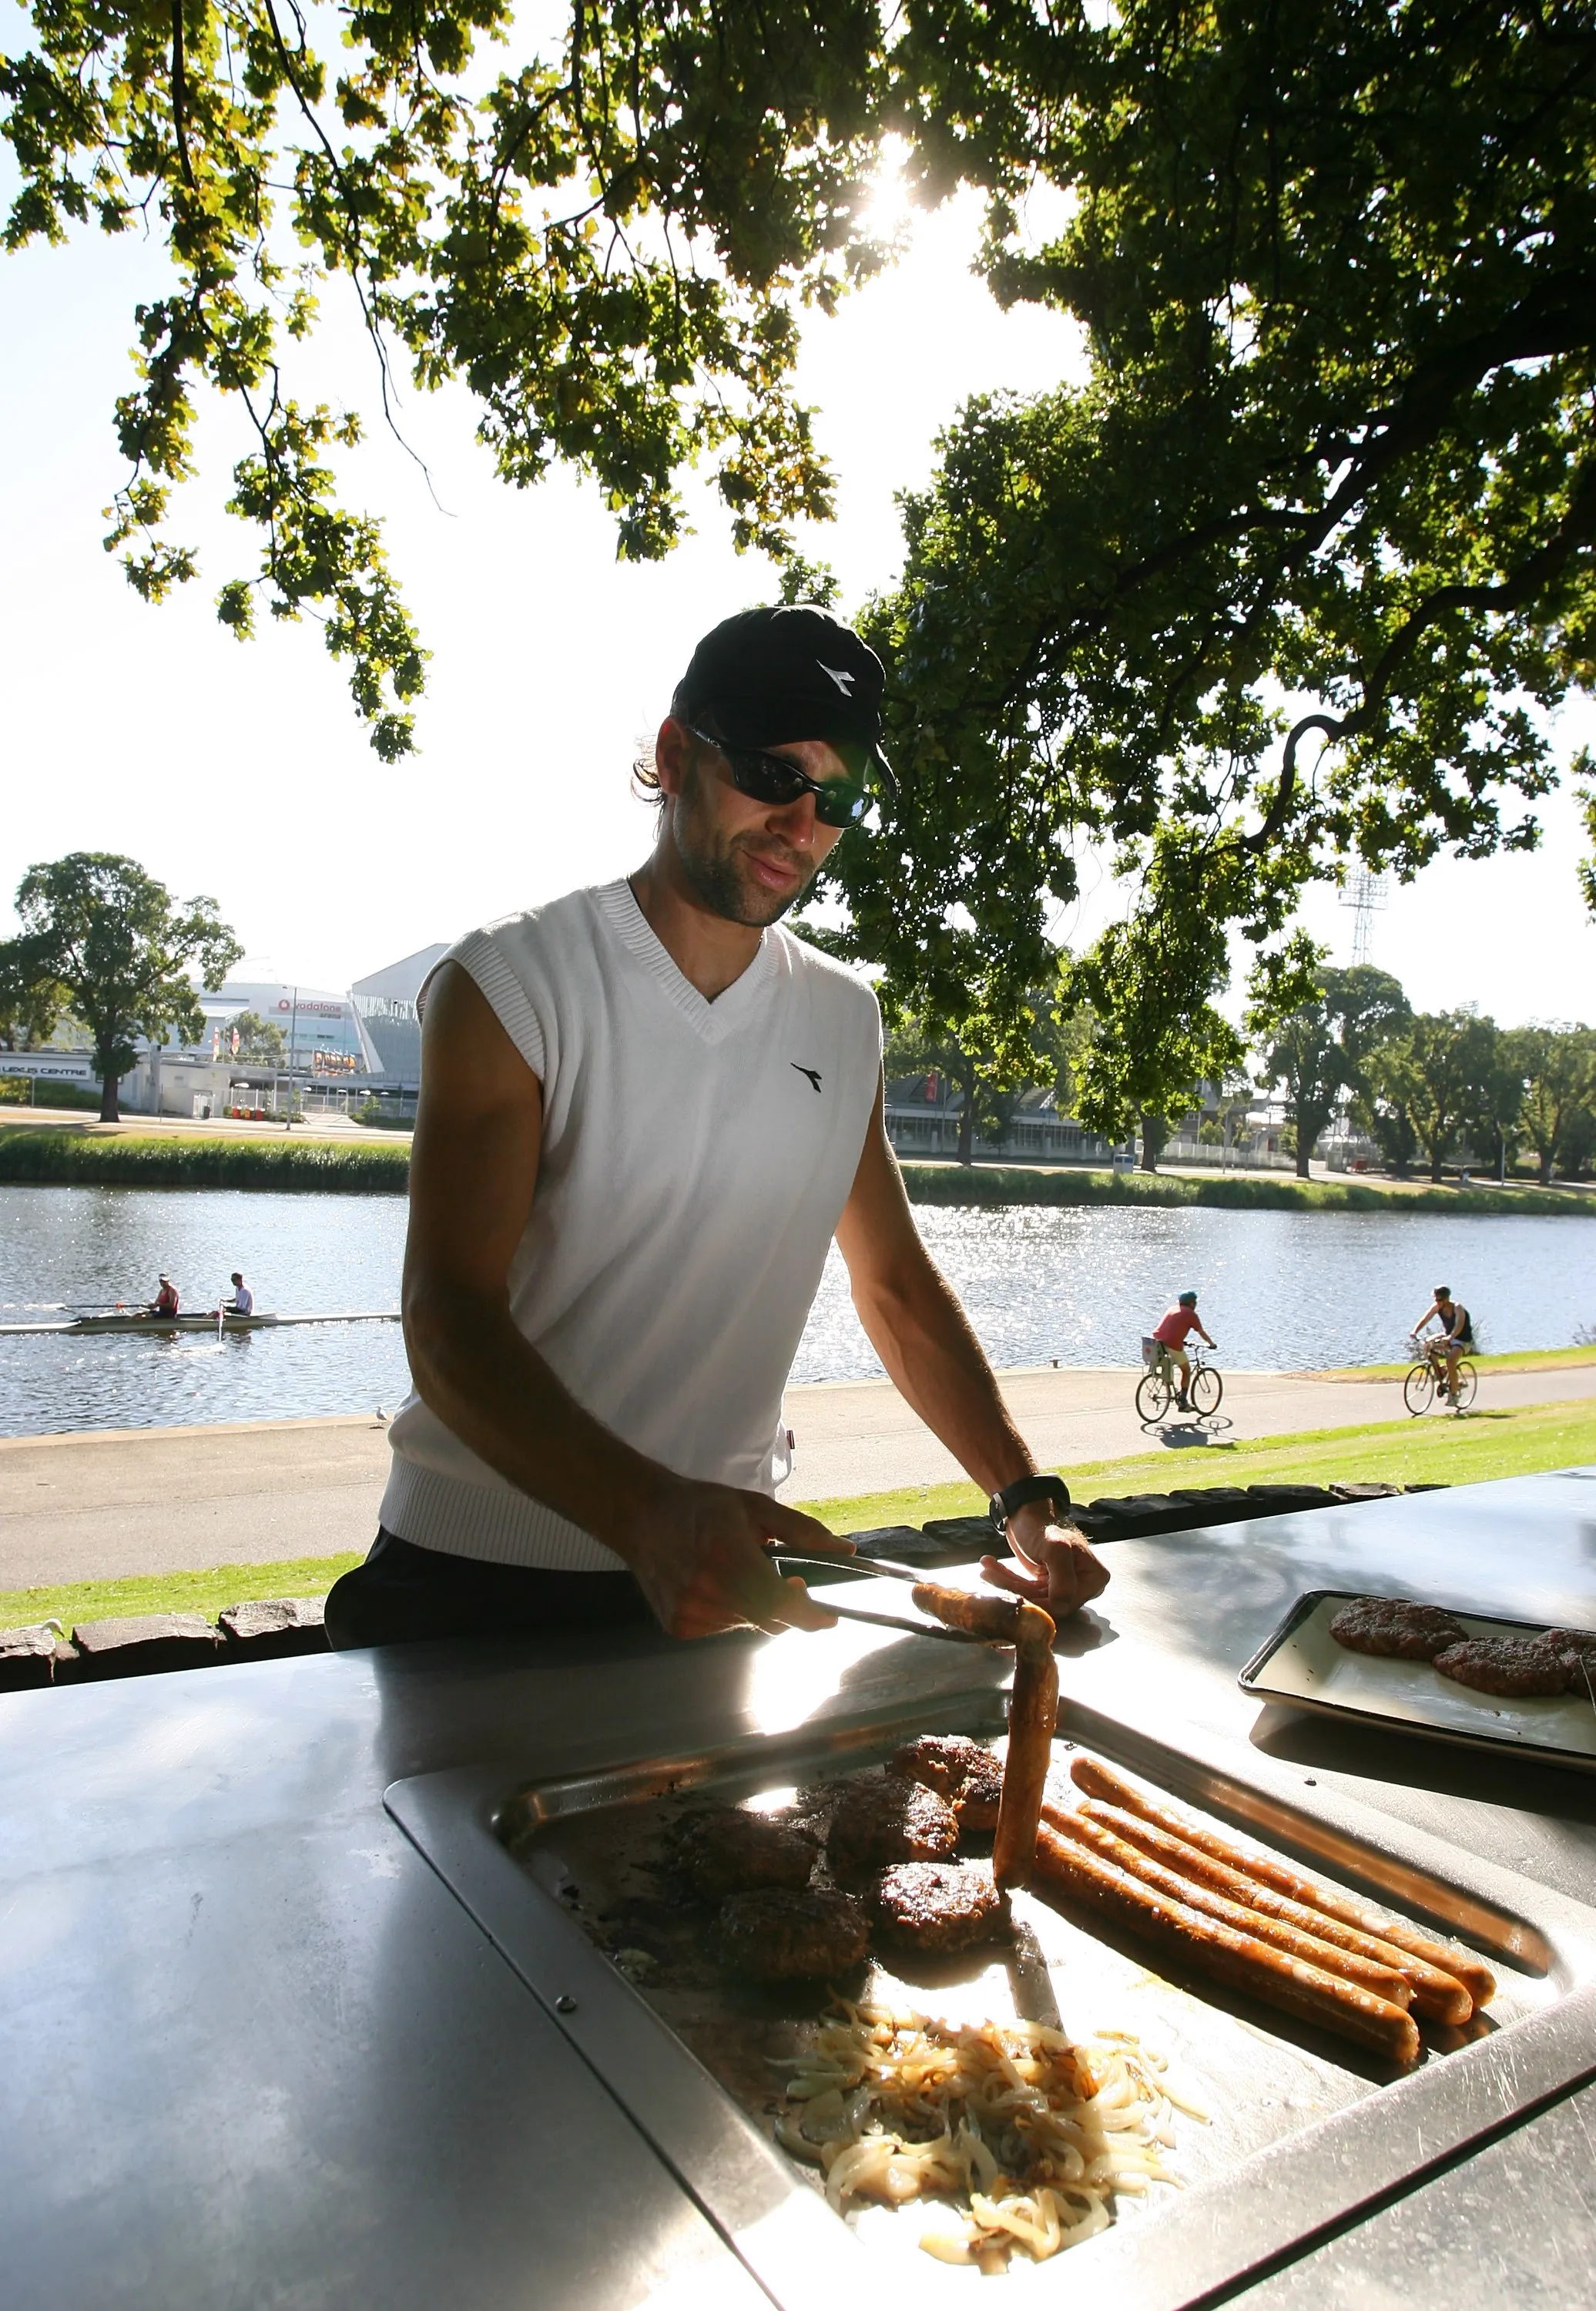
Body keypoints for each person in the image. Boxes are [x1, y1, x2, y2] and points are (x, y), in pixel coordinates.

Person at [325, 603, 1108, 1651]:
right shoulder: (509, 983)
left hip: (715, 1586)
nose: (803, 824)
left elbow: (894, 1287)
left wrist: (1027, 1498)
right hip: (477, 1583)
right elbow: (448, 1321)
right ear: (673, 754)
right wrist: (647, 1519)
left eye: (838, 796)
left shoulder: (843, 1018)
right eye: (777, 774)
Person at [1151, 1290, 1216, 1412]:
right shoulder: (1191, 1314)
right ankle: (1183, 1402)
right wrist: (1211, 1344)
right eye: (1195, 1302)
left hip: (1157, 1342)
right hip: (1172, 1344)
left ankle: (1167, 1384)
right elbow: (1201, 1332)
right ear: (1191, 1304)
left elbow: (1172, 1328)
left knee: (1171, 1362)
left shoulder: (1172, 1309)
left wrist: (1182, 1340)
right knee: (1186, 1370)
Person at [1413, 1285, 1474, 1404]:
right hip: (1448, 1336)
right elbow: (1425, 1319)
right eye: (1435, 1299)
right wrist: (1414, 1331)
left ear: (1447, 1299)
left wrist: (1450, 1337)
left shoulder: (1458, 1308)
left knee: (1451, 1360)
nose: (1437, 1302)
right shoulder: (1437, 1307)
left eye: (1440, 1300)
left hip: (1463, 1340)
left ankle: (1454, 1395)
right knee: (1428, 1343)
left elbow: (1459, 1325)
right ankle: (1440, 1372)